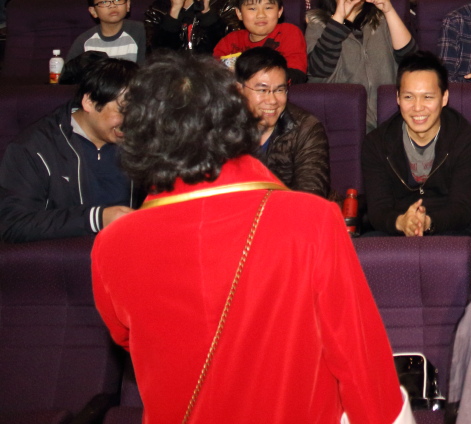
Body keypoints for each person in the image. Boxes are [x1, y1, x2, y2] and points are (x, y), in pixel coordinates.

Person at [91, 52, 409, 423]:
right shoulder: (312, 220)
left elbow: (130, 339)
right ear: (235, 121)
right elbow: (359, 359)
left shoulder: (112, 244)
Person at [0, 58, 138, 243]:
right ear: (89, 102)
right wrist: (95, 219)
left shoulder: (145, 140)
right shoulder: (33, 148)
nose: (133, 121)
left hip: (132, 249)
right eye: (123, 110)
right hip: (68, 256)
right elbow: (13, 224)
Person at [361, 50, 471, 241]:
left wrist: (427, 223)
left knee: (459, 245)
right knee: (366, 246)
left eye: (427, 97)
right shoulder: (376, 143)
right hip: (395, 228)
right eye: (408, 97)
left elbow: (461, 210)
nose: (418, 107)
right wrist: (402, 222)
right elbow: (378, 210)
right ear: (398, 98)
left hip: (450, 228)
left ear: (444, 98)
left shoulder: (466, 140)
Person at [306, 0, 415, 129]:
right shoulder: (317, 23)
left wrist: (388, 11)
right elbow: (318, 70)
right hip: (342, 118)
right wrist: (339, 16)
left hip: (388, 116)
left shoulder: (381, 19)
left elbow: (411, 60)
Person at [231, 47, 329, 197]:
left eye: (279, 90)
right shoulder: (221, 125)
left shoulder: (306, 128)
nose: (272, 101)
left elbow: (310, 195)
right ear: (239, 89)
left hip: (287, 209)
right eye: (262, 90)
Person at [214, 0, 308, 83]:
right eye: (252, 9)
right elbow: (214, 76)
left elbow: (297, 75)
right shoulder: (229, 42)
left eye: (268, 8)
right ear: (239, 13)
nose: (261, 15)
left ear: (279, 11)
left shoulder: (289, 33)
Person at [67, 0, 146, 64]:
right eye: (104, 2)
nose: (112, 5)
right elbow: (69, 71)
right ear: (93, 11)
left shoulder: (141, 31)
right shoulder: (84, 41)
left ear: (127, 5)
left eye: (118, 0)